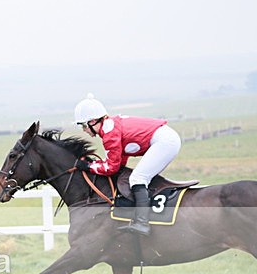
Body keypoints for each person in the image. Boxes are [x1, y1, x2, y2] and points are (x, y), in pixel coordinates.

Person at [73, 93, 182, 236]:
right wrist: (95, 164)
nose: (85, 130)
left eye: (84, 126)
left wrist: (89, 167)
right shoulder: (109, 127)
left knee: (138, 178)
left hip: (165, 142)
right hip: (166, 139)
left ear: (93, 121)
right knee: (138, 177)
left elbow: (111, 167)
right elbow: (118, 162)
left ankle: (142, 223)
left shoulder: (109, 133)